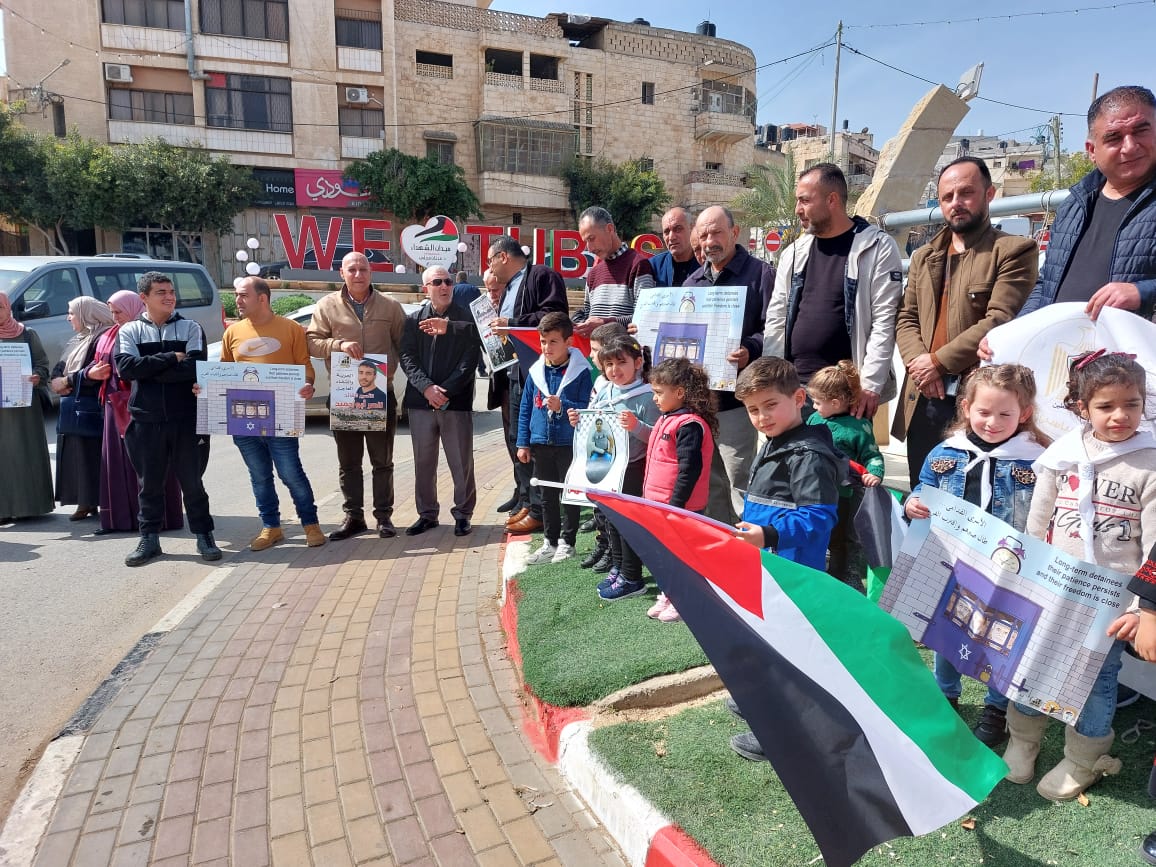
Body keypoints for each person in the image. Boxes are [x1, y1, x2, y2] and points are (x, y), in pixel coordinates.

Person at [1002, 351, 1156, 801]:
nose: (1120, 415)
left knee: (1097, 677)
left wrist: (1141, 607)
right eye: (1106, 406)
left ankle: (1083, 758)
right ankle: (1024, 739)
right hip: (1055, 586)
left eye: (1131, 404)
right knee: (1032, 662)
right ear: (1082, 407)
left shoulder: (1150, 463)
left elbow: (1155, 543)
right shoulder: (1062, 454)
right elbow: (1038, 521)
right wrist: (1028, 574)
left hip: (1112, 600)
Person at [903, 364, 1049, 747]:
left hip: (1009, 570)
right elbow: (924, 487)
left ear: (1025, 413)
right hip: (955, 562)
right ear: (966, 408)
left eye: (1005, 414)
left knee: (1001, 638)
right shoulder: (947, 451)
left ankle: (996, 709)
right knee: (948, 627)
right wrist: (913, 502)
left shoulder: (1039, 460)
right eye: (984, 412)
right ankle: (945, 695)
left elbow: (1048, 514)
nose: (993, 422)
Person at [893, 156, 1038, 491]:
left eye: (966, 193)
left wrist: (938, 362)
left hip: (981, 402)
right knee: (924, 494)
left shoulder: (1013, 251)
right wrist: (921, 366)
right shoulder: (924, 256)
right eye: (947, 196)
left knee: (975, 494)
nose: (956, 203)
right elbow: (906, 316)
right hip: (924, 396)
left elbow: (1000, 319)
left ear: (989, 194)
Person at [729, 356, 845, 761]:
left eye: (770, 405)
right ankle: (763, 701)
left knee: (790, 654)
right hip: (770, 565)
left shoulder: (808, 455)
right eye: (753, 410)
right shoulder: (778, 441)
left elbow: (819, 517)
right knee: (769, 641)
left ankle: (780, 732)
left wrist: (768, 535)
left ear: (798, 398)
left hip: (793, 570)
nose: (761, 417)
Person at [764, 163, 903, 420]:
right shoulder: (794, 253)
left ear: (832, 200)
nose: (797, 209)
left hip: (845, 396)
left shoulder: (876, 247)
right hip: (794, 390)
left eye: (805, 200)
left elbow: (884, 320)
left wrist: (870, 384)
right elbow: (777, 317)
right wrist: (773, 380)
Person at [1018, 86, 1156, 322]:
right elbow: (1046, 283)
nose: (1130, 146)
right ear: (1092, 151)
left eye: (1140, 131)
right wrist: (1015, 330)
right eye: (1114, 137)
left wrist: (1142, 293)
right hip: (1063, 342)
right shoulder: (1073, 206)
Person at [115, 271, 220, 567]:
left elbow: (195, 368)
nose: (169, 297)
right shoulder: (130, 331)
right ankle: (149, 539)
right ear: (144, 298)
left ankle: (204, 535)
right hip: (145, 421)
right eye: (161, 292)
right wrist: (171, 358)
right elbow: (126, 369)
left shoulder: (190, 327)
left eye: (171, 291)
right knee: (149, 485)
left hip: (186, 419)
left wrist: (149, 371)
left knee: (193, 483)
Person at [307, 251, 407, 540]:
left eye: (363, 269)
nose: (358, 274)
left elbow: (404, 344)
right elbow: (312, 342)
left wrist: (401, 372)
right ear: (342, 273)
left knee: (382, 462)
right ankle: (354, 517)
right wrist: (338, 344)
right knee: (349, 463)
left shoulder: (390, 306)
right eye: (352, 269)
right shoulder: (327, 305)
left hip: (380, 394)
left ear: (370, 272)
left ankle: (383, 517)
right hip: (345, 395)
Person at [684, 205, 775, 523]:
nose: (710, 241)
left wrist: (751, 348)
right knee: (709, 484)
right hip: (700, 403)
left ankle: (751, 545)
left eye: (717, 233)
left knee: (740, 480)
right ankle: (722, 543)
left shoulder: (761, 274)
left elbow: (775, 329)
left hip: (738, 402)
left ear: (735, 233)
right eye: (704, 235)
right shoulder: (693, 283)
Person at [220, 276, 324, 551]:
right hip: (243, 419)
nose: (237, 300)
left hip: (282, 416)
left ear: (262, 298)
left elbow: (305, 365)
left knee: (291, 474)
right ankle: (271, 527)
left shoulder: (291, 329)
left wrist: (308, 384)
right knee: (259, 476)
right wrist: (205, 388)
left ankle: (311, 524)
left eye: (243, 295)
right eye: (236, 294)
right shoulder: (232, 332)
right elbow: (224, 372)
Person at [487, 235, 570, 533]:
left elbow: (555, 317)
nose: (490, 268)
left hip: (536, 372)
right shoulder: (509, 286)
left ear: (503, 257)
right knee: (517, 438)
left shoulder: (541, 276)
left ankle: (540, 509)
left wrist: (513, 322)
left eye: (490, 260)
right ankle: (526, 501)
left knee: (535, 441)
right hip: (513, 373)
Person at [565, 334, 657, 600]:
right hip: (607, 467)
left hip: (632, 469)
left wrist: (636, 426)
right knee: (611, 521)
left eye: (621, 362)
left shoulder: (647, 396)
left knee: (628, 525)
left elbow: (657, 437)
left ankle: (632, 577)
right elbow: (593, 422)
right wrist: (578, 420)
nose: (614, 369)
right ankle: (618, 567)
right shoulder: (605, 390)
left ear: (637, 362)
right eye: (609, 364)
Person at [90, 290, 183, 536]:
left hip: (142, 404)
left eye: (119, 311)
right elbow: (94, 364)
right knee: (117, 463)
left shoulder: (144, 333)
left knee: (146, 464)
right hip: (114, 405)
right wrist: (91, 373)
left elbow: (145, 366)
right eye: (111, 312)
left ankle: (157, 521)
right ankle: (119, 519)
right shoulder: (109, 334)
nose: (115, 317)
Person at [400, 265, 482, 538]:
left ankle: (463, 514)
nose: (445, 286)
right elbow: (407, 358)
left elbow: (470, 360)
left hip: (455, 402)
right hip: (421, 402)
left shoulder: (466, 321)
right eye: (437, 282)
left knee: (461, 461)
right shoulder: (413, 320)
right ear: (426, 288)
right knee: (424, 462)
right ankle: (427, 514)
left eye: (448, 281)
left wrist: (445, 390)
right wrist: (426, 388)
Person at [643, 358, 717, 623]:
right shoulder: (668, 418)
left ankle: (686, 599)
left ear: (680, 392)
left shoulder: (689, 425)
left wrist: (676, 504)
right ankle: (669, 594)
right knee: (667, 555)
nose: (654, 398)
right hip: (660, 503)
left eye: (658, 392)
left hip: (681, 506)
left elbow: (689, 470)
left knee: (684, 556)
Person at [516, 312, 593, 565]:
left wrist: (563, 406)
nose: (546, 347)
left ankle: (567, 542)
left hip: (568, 443)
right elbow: (526, 407)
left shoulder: (581, 371)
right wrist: (523, 442)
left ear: (568, 342)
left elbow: (586, 405)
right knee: (546, 494)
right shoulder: (536, 371)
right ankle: (549, 542)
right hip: (541, 442)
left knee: (569, 493)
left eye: (553, 342)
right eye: (543, 341)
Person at [806, 360, 886, 592]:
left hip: (844, 494)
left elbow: (872, 455)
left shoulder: (858, 427)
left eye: (817, 402)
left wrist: (875, 473)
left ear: (835, 402)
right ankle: (816, 571)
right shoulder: (814, 420)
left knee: (842, 537)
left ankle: (843, 576)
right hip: (814, 490)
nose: (814, 407)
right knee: (817, 532)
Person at [49, 296, 116, 521]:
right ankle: (85, 500)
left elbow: (96, 372)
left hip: (90, 405)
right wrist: (57, 380)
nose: (68, 318)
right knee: (77, 455)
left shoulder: (102, 338)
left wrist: (67, 381)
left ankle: (91, 501)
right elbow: (60, 366)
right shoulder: (79, 339)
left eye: (72, 313)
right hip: (74, 405)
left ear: (87, 314)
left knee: (90, 455)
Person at [0, 291, 54, 524]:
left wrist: (36, 376)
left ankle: (31, 505)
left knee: (25, 451)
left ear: (8, 308)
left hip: (23, 406)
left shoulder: (26, 334)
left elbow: (42, 363)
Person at [572, 206, 654, 338]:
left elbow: (645, 317)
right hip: (595, 351)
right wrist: (579, 323)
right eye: (586, 242)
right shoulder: (593, 274)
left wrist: (604, 325)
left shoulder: (638, 265)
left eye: (591, 238)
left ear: (609, 229)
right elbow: (588, 315)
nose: (589, 248)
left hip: (624, 350)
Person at [649, 207, 698, 288]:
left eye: (678, 229)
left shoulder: (707, 265)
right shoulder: (653, 267)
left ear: (692, 229)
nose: (671, 237)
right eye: (666, 232)